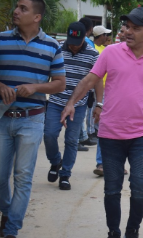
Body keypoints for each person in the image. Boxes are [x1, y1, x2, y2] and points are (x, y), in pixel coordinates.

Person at [61, 7, 143, 238]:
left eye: (135, 28)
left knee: (140, 186)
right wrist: (71, 103)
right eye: (126, 27)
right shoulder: (111, 52)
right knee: (112, 188)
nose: (128, 32)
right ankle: (114, 235)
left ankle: (132, 233)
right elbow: (91, 79)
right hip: (110, 133)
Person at [0, 0, 66, 238]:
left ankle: (11, 229)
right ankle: (7, 211)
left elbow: (60, 84)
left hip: (32, 120)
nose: (16, 11)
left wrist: (35, 87)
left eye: (23, 8)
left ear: (36, 17)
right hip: (1, 119)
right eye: (17, 7)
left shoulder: (52, 47)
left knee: (23, 177)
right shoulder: (0, 40)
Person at [43, 22, 102, 190]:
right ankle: (56, 162)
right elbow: (47, 75)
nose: (73, 47)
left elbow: (97, 81)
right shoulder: (58, 50)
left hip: (79, 104)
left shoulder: (93, 55)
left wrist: (99, 104)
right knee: (49, 135)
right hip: (56, 101)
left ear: (84, 38)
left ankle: (65, 174)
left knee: (71, 140)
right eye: (70, 42)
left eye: (77, 43)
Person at [92, 24, 112, 177]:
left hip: (113, 93)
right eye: (105, 35)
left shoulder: (108, 50)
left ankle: (114, 163)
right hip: (101, 92)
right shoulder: (96, 50)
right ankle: (101, 163)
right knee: (103, 127)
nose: (108, 37)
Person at [77, 17, 97, 149]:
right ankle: (80, 138)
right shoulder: (89, 43)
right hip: (84, 84)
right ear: (90, 30)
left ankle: (82, 136)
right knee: (80, 113)